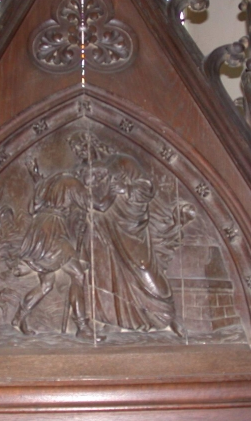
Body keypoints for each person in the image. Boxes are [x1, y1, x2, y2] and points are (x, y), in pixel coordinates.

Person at [68, 132, 185, 337]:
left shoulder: (122, 161)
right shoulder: (80, 172)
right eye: (76, 150)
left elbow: (147, 187)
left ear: (91, 142)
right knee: (102, 274)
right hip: (99, 229)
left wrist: (126, 188)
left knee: (143, 267)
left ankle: (167, 315)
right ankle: (112, 320)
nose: (80, 152)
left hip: (129, 227)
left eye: (82, 146)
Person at [12, 161, 104, 342]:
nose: (94, 182)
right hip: (54, 231)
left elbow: (35, 204)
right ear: (83, 172)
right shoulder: (72, 182)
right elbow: (97, 205)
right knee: (78, 275)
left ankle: (19, 317)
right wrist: (113, 191)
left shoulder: (50, 181)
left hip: (40, 229)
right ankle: (83, 327)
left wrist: (35, 175)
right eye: (94, 176)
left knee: (46, 284)